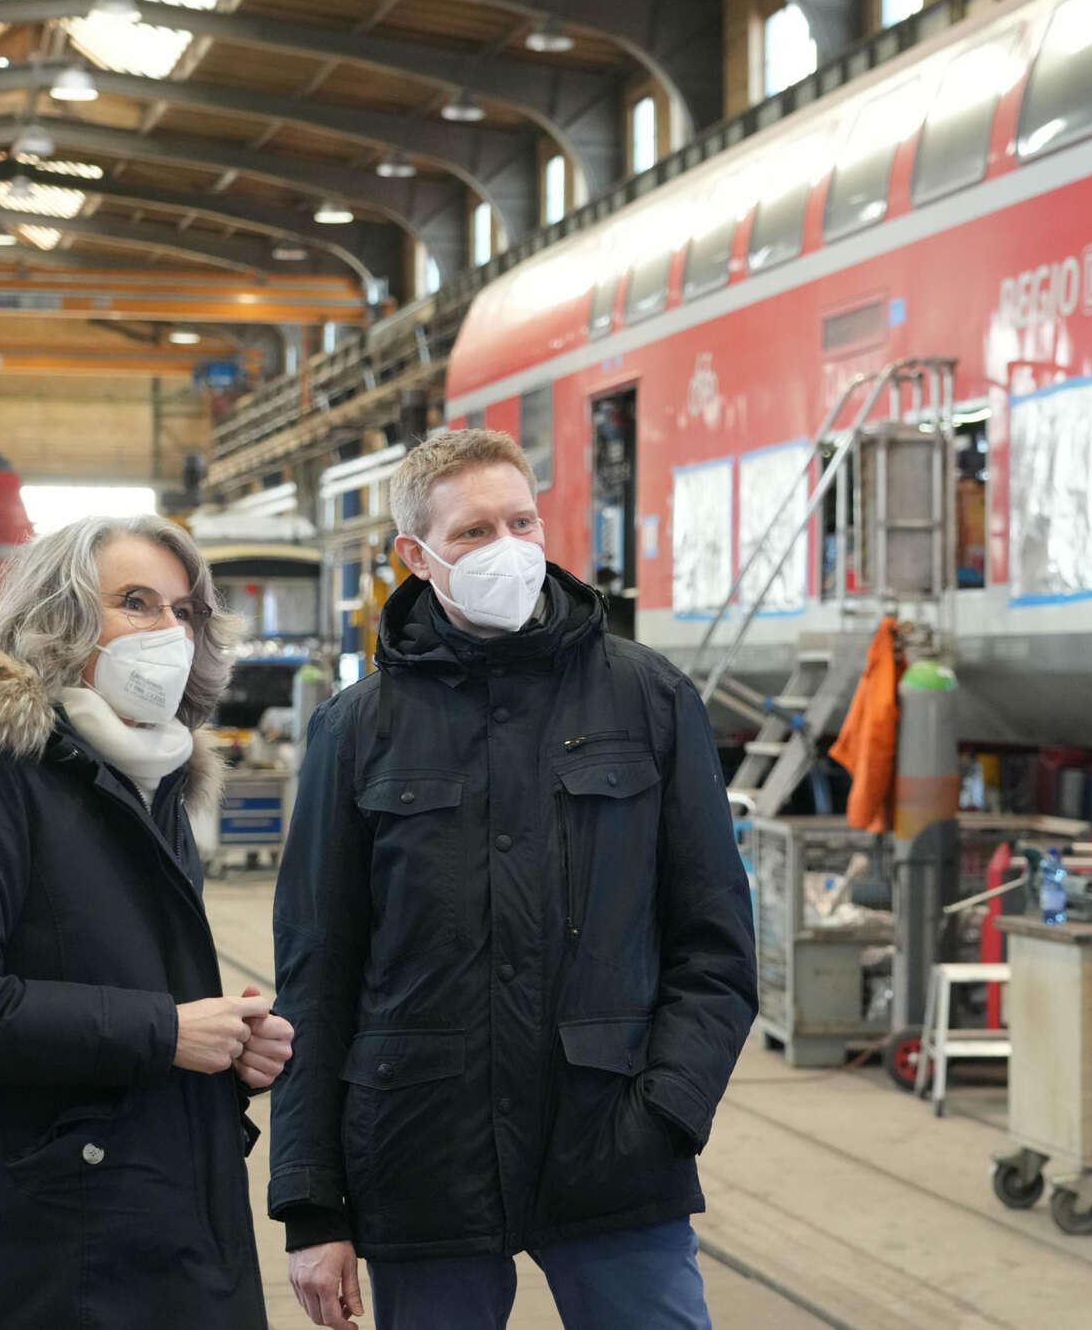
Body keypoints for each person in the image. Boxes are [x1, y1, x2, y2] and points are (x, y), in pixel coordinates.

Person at [270, 429, 757, 1330]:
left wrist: (669, 1111)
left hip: (613, 1142)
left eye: (521, 521)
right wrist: (313, 1206)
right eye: (472, 532)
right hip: (423, 1151)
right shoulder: (356, 729)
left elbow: (716, 943)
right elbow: (317, 973)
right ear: (415, 557)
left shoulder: (648, 699)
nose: (508, 548)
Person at [0, 515, 293, 1329]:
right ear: (60, 618)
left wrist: (231, 1044)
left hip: (159, 1212)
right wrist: (166, 1031)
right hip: (32, 1240)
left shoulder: (153, 774)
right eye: (136, 602)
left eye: (185, 612)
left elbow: (134, 985)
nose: (169, 631)